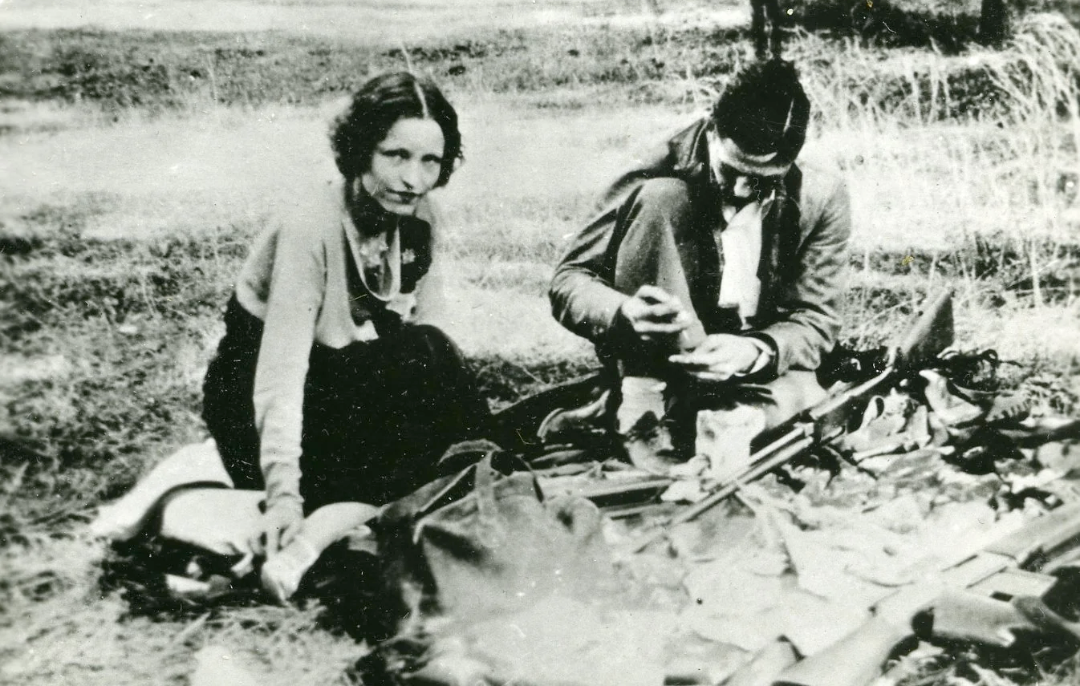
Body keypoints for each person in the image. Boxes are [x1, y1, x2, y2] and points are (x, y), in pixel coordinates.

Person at [93, 72, 491, 602]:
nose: (412, 178)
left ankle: (312, 540)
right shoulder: (312, 226)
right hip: (253, 397)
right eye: (395, 155)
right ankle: (300, 537)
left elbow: (430, 329)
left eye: (430, 162)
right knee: (422, 460)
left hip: (337, 380)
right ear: (359, 151)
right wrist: (283, 495)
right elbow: (279, 376)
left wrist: (424, 407)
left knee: (443, 398)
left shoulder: (417, 214)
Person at [548, 58, 850, 475]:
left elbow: (816, 319)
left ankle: (719, 424)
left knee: (805, 400)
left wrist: (754, 350)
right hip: (659, 361)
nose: (742, 189)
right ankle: (642, 409)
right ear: (711, 129)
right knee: (662, 198)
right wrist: (625, 312)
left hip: (752, 370)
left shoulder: (819, 193)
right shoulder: (653, 166)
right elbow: (569, 281)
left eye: (763, 178)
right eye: (733, 170)